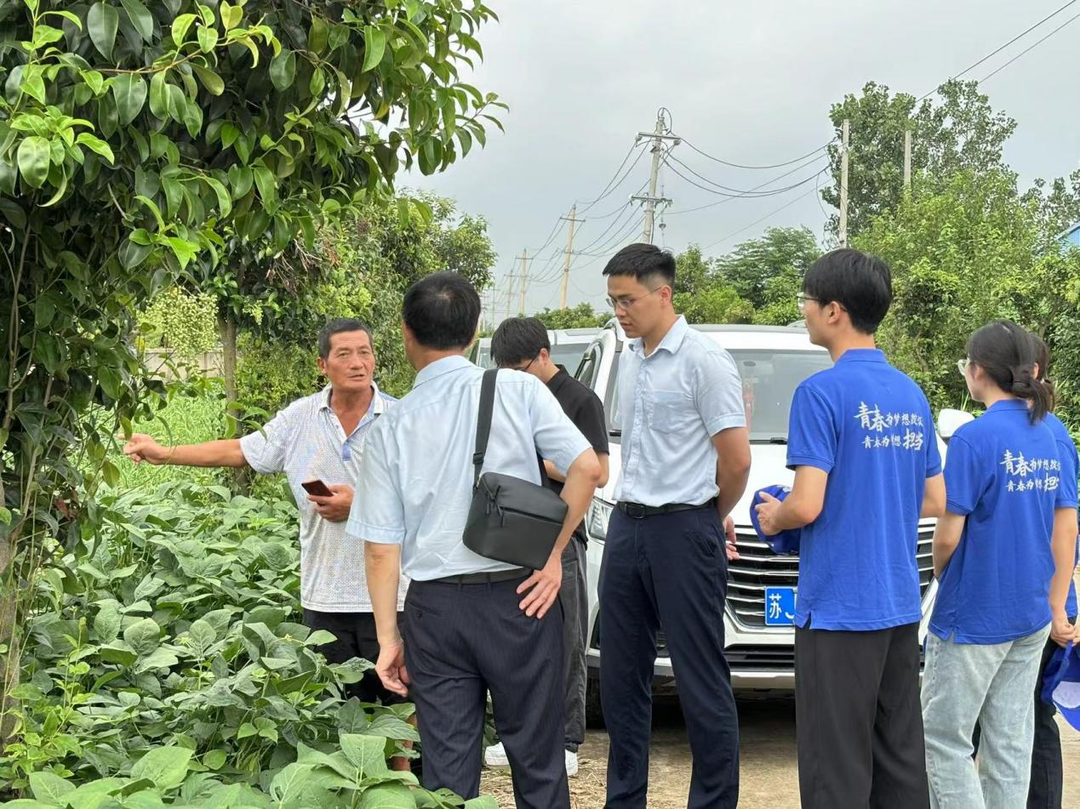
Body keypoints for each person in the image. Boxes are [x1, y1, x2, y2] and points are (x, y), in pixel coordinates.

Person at [350, 272, 601, 808]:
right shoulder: (518, 389)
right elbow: (586, 469)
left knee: (445, 771)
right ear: (476, 330)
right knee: (538, 759)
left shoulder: (390, 427)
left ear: (405, 334)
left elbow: (380, 548)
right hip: (523, 598)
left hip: (436, 610)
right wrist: (554, 555)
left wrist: (390, 639)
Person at [123, 319, 410, 720]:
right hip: (325, 593)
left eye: (365, 352)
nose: (358, 363)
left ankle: (406, 780)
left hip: (395, 593)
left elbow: (424, 502)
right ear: (322, 364)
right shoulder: (300, 418)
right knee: (343, 709)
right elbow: (240, 450)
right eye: (344, 354)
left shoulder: (402, 419)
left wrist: (360, 505)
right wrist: (165, 452)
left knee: (401, 703)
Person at [755, 248, 945, 809]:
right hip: (897, 602)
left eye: (807, 302)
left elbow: (807, 505)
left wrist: (774, 514)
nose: (804, 311)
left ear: (834, 310)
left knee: (834, 765)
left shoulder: (820, 393)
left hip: (838, 605)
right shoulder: (910, 393)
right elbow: (934, 498)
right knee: (899, 759)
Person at [599, 243, 750, 809]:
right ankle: (624, 799)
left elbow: (735, 460)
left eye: (629, 300)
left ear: (664, 294)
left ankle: (711, 801)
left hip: (685, 529)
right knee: (620, 678)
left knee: (699, 677)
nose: (620, 312)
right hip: (628, 525)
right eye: (613, 301)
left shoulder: (704, 361)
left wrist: (707, 517)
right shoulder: (633, 356)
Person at [922, 321, 1077, 808]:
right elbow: (1065, 526)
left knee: (943, 738)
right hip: (1029, 612)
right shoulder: (1053, 434)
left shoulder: (974, 438)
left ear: (977, 372)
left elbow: (948, 536)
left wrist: (942, 571)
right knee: (1010, 742)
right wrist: (1056, 605)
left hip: (974, 614)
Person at [485, 317, 610, 778]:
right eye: (507, 371)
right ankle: (511, 734)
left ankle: (566, 741)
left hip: (561, 537)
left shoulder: (579, 399)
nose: (515, 379)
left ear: (543, 354)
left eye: (521, 368)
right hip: (514, 534)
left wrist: (540, 457)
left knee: (565, 638)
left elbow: (596, 470)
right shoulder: (507, 395)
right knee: (512, 640)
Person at [1027, 331, 1080, 809]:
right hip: (1032, 598)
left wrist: (1058, 608)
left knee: (1034, 716)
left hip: (1045, 599)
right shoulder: (1029, 432)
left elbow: (1065, 530)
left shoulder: (1053, 438)